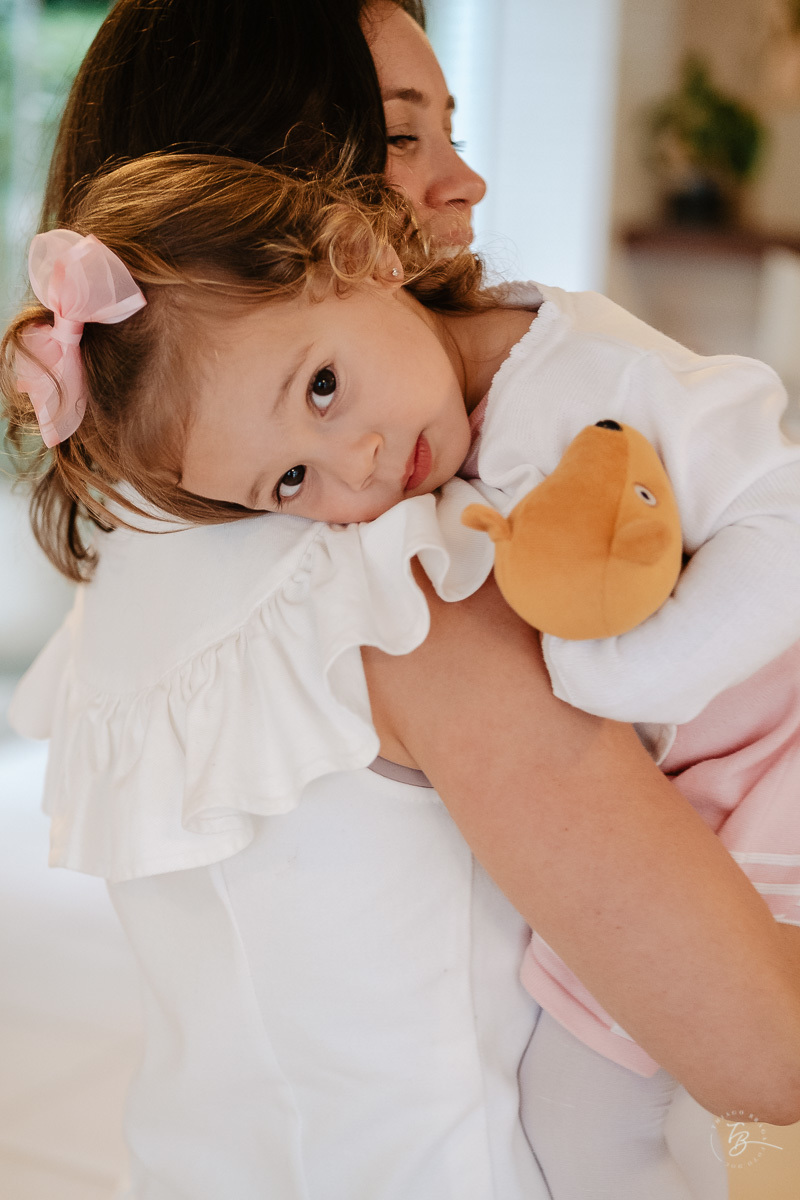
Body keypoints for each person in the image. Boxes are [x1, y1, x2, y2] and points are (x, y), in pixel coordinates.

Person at [4, 2, 800, 1197]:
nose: (462, 183)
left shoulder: (161, 544)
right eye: (400, 136)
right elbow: (761, 1046)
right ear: (274, 195)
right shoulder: (405, 580)